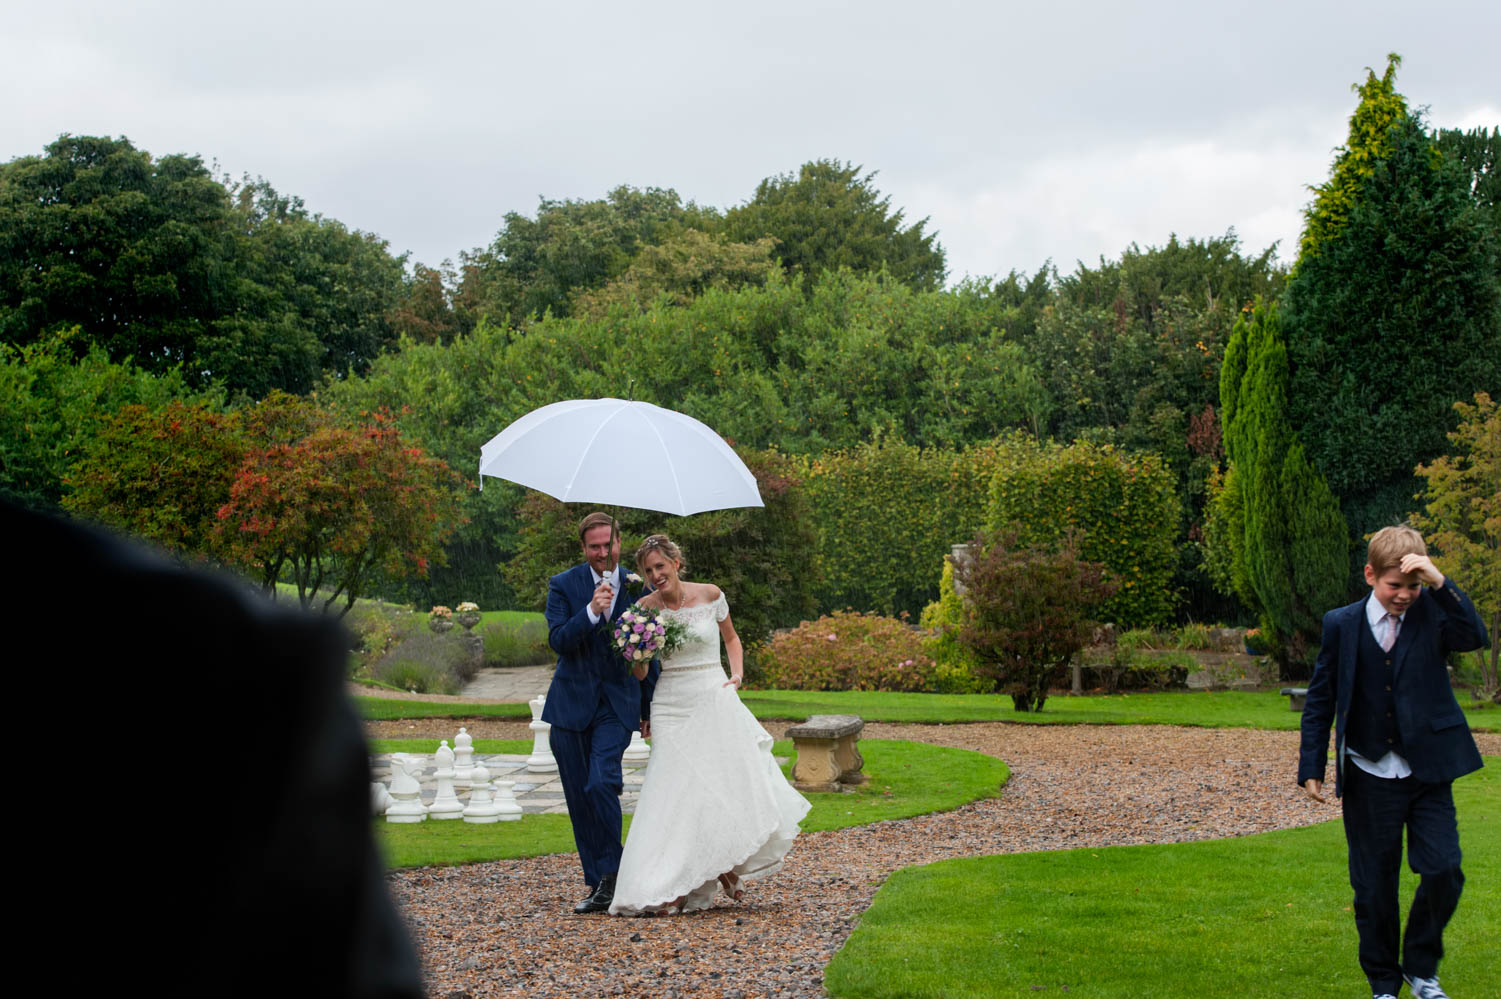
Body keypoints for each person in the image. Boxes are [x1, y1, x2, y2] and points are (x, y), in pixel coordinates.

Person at [1297, 525, 1488, 999]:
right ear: (1370, 575)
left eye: (1413, 586)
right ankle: (1384, 982)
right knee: (1374, 887)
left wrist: (1440, 583)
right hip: (1368, 772)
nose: (1404, 595)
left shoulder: (1435, 614)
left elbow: (1475, 636)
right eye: (1395, 585)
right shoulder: (1340, 624)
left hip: (1427, 771)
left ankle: (1421, 969)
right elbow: (1321, 699)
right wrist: (1312, 765)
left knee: (1444, 868)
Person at [609, 534, 810, 915]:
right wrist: (637, 651)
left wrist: (736, 675)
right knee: (673, 788)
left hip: (711, 694)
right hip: (669, 703)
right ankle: (670, 879)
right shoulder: (643, 610)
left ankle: (722, 865)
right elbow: (638, 674)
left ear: (676, 563)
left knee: (717, 783)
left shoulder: (711, 594)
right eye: (649, 570)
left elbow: (732, 639)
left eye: (660, 567)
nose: (656, 575)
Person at [544, 512, 659, 914]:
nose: (601, 552)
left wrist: (648, 708)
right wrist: (591, 612)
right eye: (594, 546)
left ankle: (615, 872)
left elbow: (650, 651)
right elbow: (559, 640)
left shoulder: (637, 586)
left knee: (600, 782)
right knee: (580, 798)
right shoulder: (563, 585)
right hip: (569, 707)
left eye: (607, 545)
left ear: (618, 544)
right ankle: (602, 882)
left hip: (616, 704)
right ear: (584, 548)